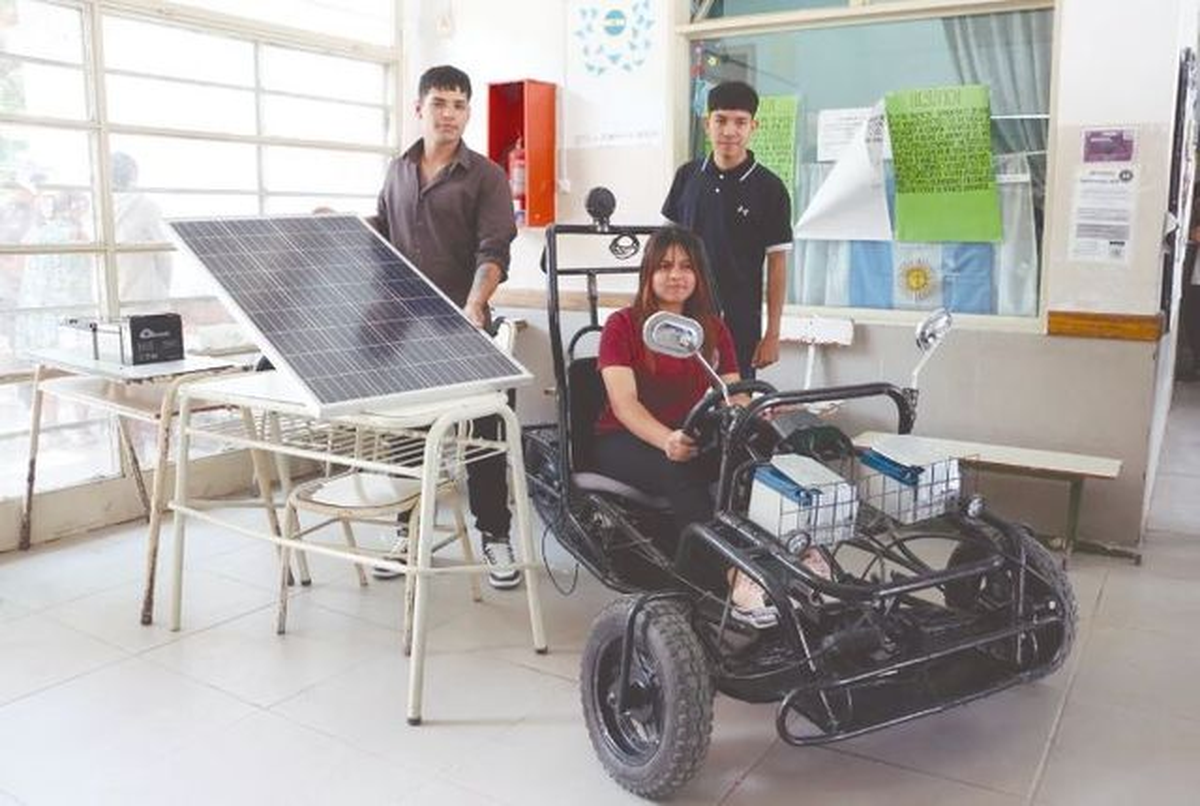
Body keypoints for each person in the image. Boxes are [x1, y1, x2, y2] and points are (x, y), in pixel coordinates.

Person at [371, 64, 521, 589]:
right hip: (405, 336)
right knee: (408, 442)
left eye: (459, 105)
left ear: (468, 112)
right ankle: (406, 530)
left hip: (466, 331)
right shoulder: (397, 172)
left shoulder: (487, 176)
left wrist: (476, 302)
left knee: (484, 442)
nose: (450, 114)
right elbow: (382, 242)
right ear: (419, 108)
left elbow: (494, 249)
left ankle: (496, 537)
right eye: (439, 103)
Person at [592, 226, 778, 626]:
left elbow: (733, 392)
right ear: (648, 274)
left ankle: (792, 555)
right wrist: (667, 440)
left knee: (762, 449)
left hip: (690, 432)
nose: (676, 275)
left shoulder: (711, 327)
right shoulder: (622, 326)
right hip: (625, 439)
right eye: (664, 266)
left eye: (686, 266)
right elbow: (624, 405)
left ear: (699, 275)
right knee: (680, 467)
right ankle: (732, 576)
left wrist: (753, 413)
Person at [662, 80, 792, 379]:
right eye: (720, 120)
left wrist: (772, 334)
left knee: (734, 406)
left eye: (740, 122)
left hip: (740, 323)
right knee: (680, 405)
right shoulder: (687, 176)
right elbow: (664, 248)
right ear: (708, 123)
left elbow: (777, 265)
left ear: (753, 127)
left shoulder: (770, 189)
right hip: (682, 316)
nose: (729, 131)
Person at [111, 152, 172, 302]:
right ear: (133, 176)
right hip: (145, 297)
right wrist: (164, 288)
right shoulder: (145, 206)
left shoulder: (97, 210)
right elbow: (164, 256)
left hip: (109, 299)